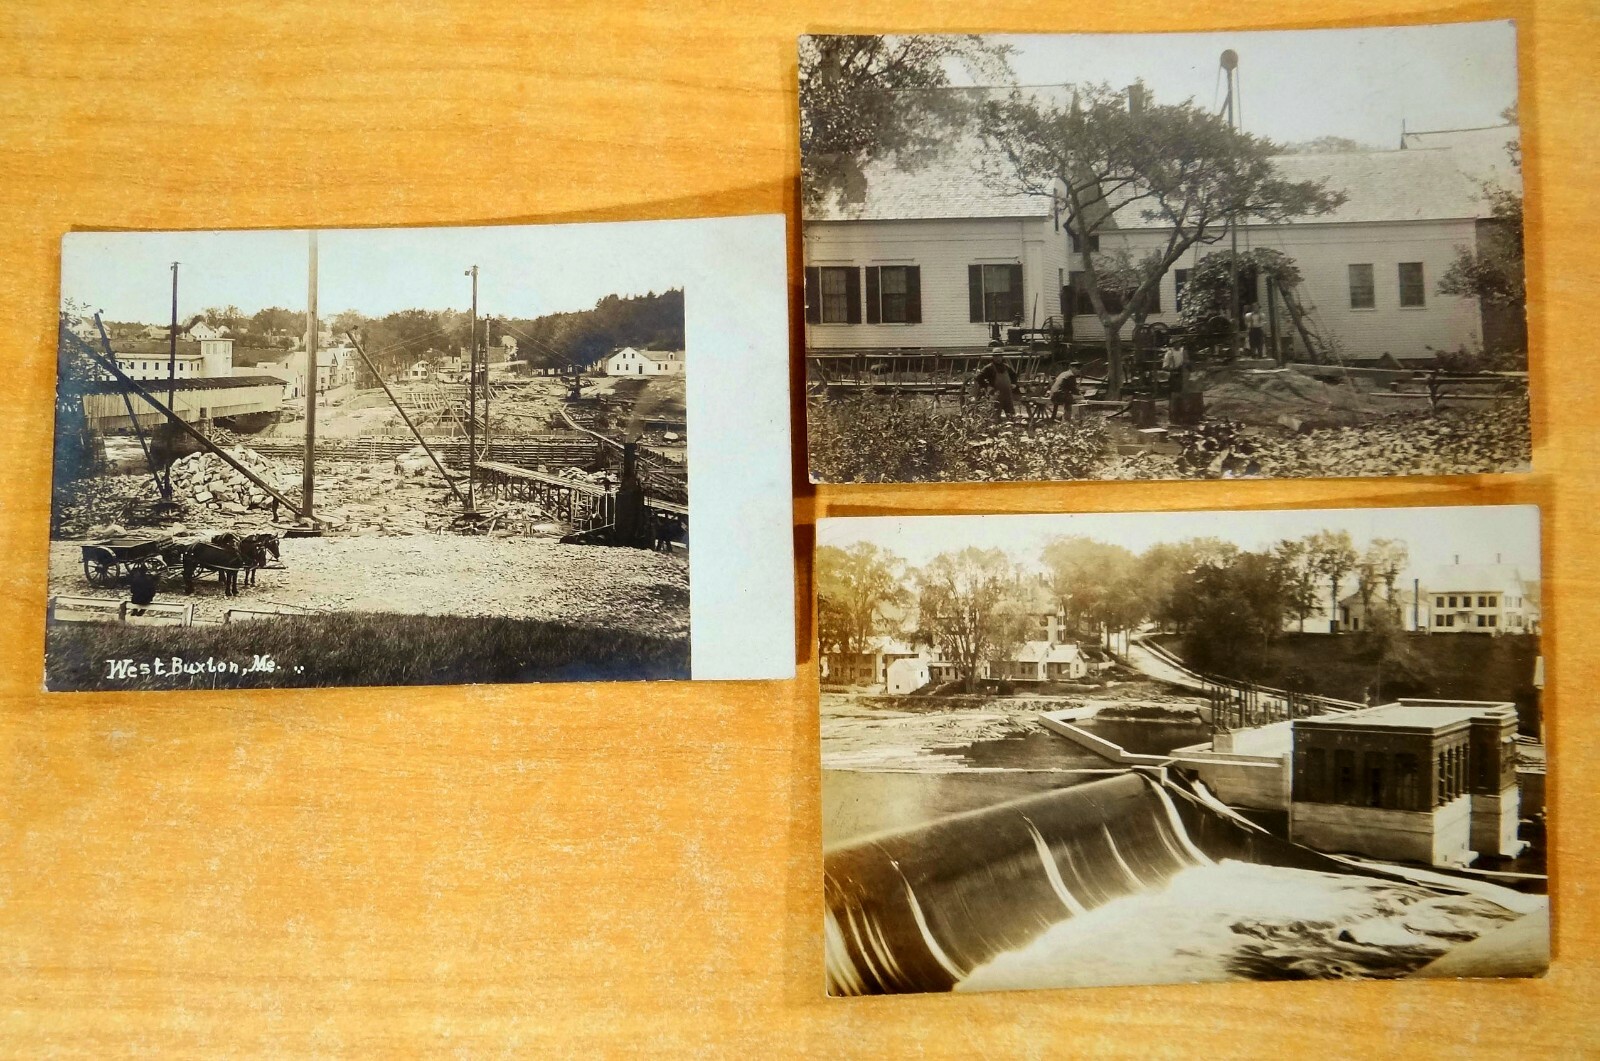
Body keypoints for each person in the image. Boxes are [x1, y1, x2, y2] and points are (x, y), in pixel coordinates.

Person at [972, 353, 1019, 419]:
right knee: (994, 416)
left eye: (999, 356)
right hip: (996, 395)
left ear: (1002, 357)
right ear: (993, 357)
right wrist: (987, 386)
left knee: (1011, 415)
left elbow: (1014, 375)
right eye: (996, 356)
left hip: (1007, 395)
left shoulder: (1006, 367)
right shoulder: (989, 368)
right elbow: (978, 378)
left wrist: (1014, 383)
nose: (998, 358)